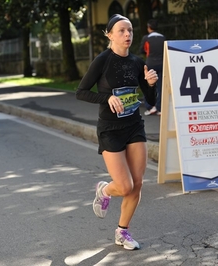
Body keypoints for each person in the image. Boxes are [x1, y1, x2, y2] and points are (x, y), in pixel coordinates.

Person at [76, 14, 158, 250]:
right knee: (124, 186)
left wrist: (151, 85)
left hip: (133, 125)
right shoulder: (102, 61)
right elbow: (81, 92)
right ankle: (104, 189)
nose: (127, 35)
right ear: (110, 34)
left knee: (138, 183)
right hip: (110, 128)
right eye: (121, 31)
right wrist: (107, 97)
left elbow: (150, 100)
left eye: (130, 30)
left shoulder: (136, 62)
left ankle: (122, 232)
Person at [139, 19, 165, 116]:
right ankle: (159, 108)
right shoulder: (163, 38)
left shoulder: (146, 38)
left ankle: (150, 107)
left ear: (149, 27)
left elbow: (142, 50)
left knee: (148, 86)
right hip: (162, 64)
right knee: (160, 87)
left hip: (150, 64)